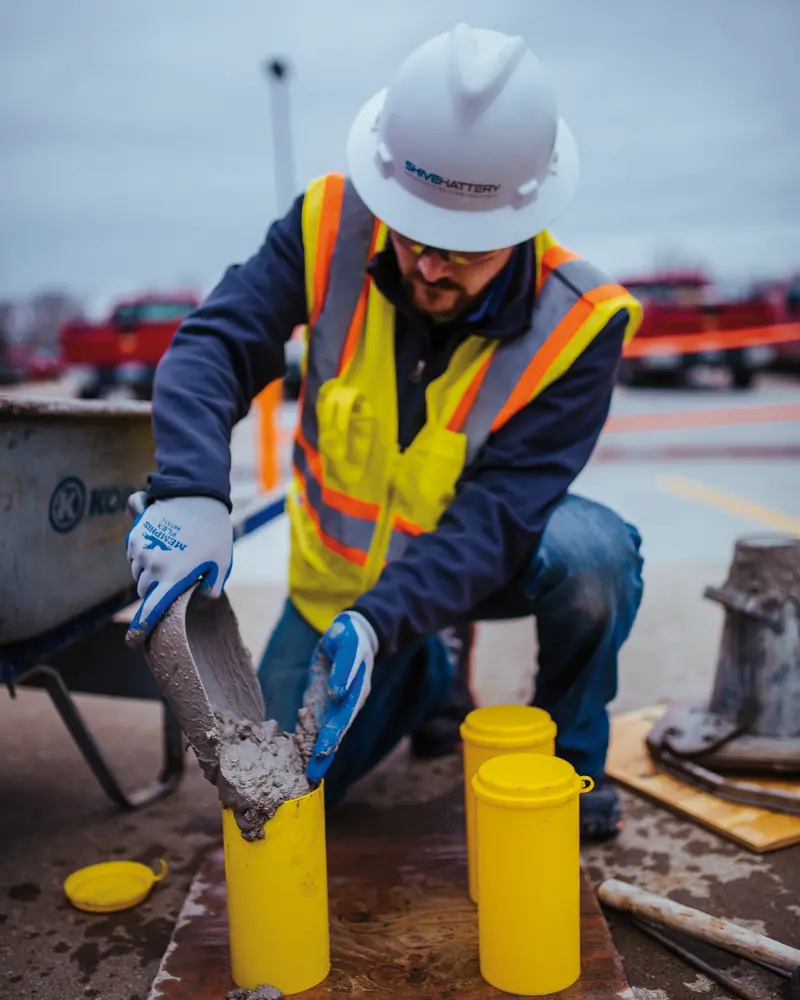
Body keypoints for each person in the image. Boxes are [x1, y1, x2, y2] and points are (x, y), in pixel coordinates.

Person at [126, 24, 644, 840]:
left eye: (461, 251)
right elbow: (214, 346)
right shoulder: (329, 227)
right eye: (415, 236)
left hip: (472, 565)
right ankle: (430, 678)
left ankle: (568, 764)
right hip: (334, 595)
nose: (429, 267)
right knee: (285, 800)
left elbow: (501, 515)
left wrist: (385, 618)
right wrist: (190, 489)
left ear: (520, 222)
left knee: (594, 558)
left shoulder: (579, 322)